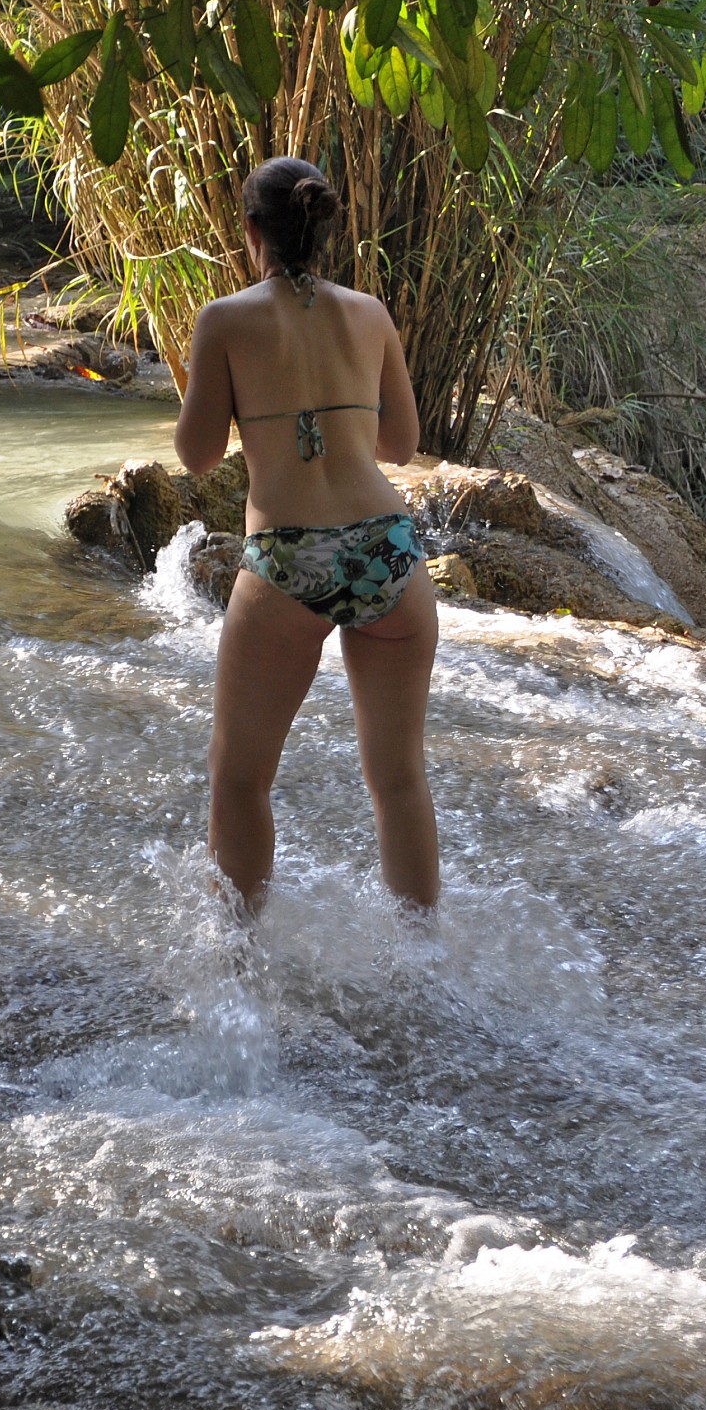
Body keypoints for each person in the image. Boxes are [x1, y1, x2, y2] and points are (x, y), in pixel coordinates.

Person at [173, 156, 440, 912]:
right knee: (398, 778)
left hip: (290, 558)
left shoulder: (225, 319)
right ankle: (423, 968)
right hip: (388, 551)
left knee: (239, 780)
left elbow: (196, 458)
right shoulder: (371, 312)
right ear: (323, 225)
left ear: (251, 229)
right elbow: (400, 446)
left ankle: (240, 974)